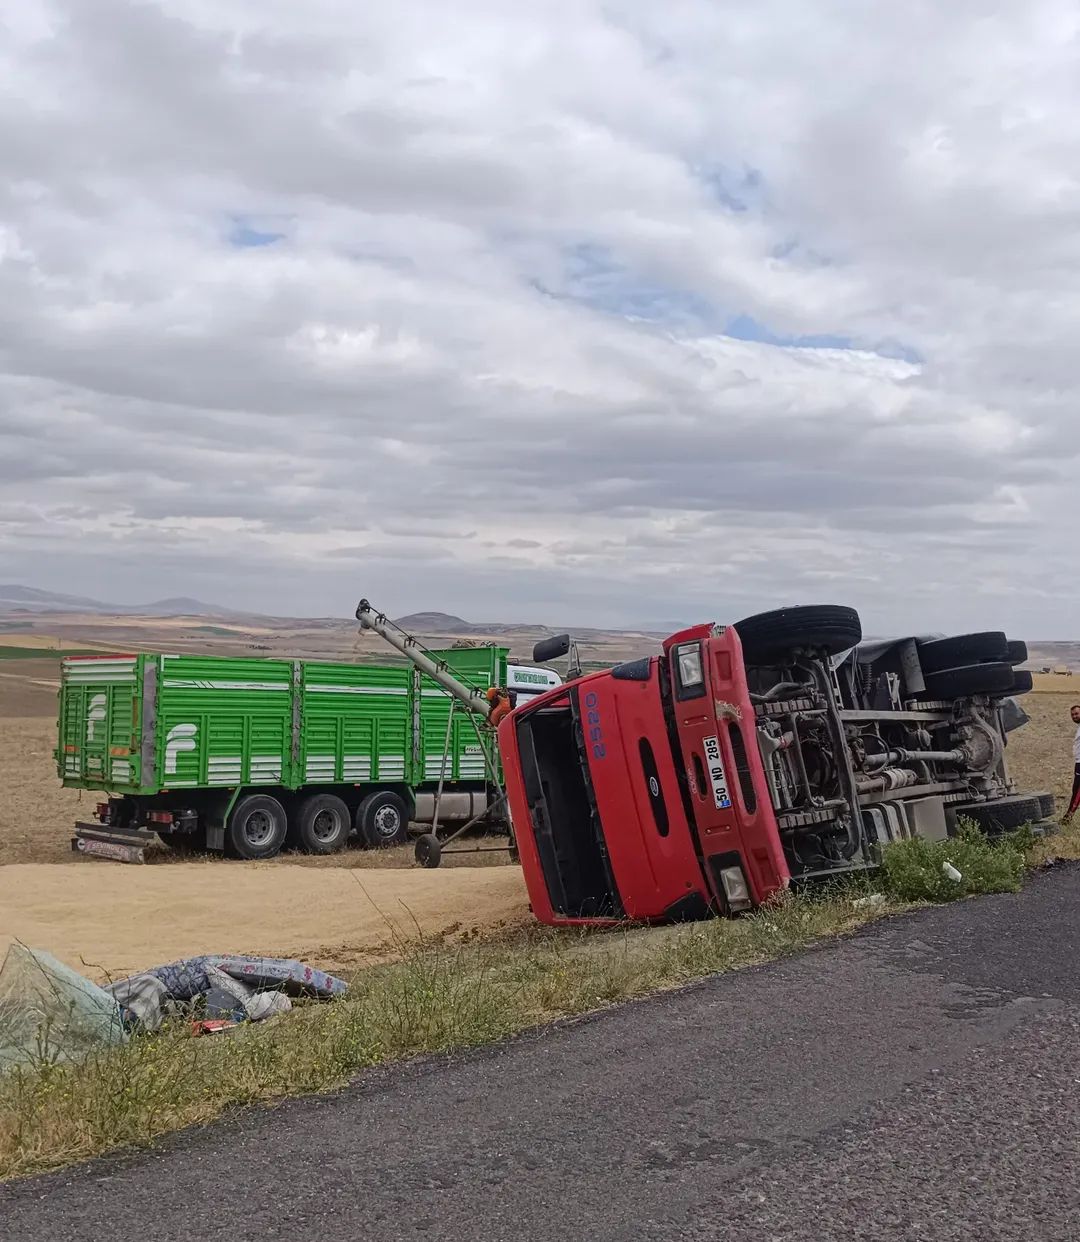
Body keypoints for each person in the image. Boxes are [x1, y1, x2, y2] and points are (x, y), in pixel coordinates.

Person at [1066, 704, 1080, 823]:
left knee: (1077, 790)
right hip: (1078, 762)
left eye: (1076, 714)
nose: (1074, 716)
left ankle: (1068, 816)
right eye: (1072, 715)